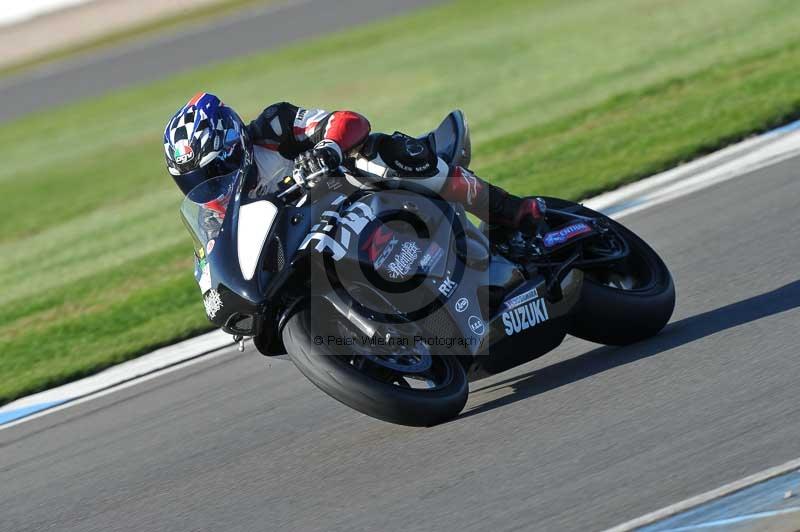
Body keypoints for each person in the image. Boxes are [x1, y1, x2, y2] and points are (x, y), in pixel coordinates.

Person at [164, 92, 544, 229]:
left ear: (233, 145)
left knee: (377, 152)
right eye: (192, 180)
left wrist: (327, 149)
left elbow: (349, 122)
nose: (206, 185)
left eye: (211, 171)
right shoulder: (217, 217)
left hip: (361, 197)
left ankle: (510, 210)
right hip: (322, 240)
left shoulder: (273, 126)